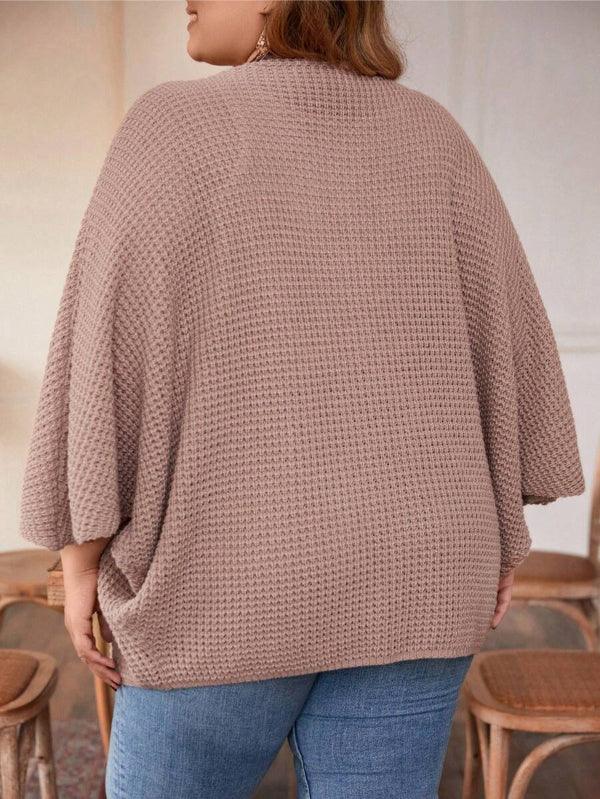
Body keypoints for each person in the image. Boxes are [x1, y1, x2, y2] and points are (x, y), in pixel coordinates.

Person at [19, 1, 585, 797]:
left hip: (220, 584)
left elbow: (105, 354)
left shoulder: (170, 127)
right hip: (418, 574)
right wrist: (496, 530)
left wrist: (80, 559)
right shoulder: (435, 134)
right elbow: (511, 343)